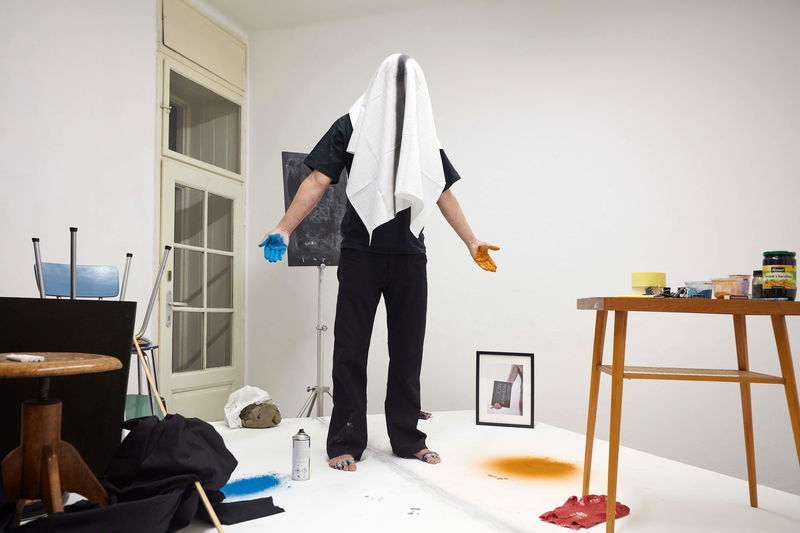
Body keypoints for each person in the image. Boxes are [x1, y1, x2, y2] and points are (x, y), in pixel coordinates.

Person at [261, 53, 499, 472]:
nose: (401, 96)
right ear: (380, 85)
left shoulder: (423, 135)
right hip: (361, 255)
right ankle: (345, 440)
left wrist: (471, 241)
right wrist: (283, 227)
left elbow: (442, 192)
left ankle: (408, 438)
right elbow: (317, 178)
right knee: (349, 351)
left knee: (407, 351)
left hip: (410, 257)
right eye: (396, 86)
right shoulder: (351, 125)